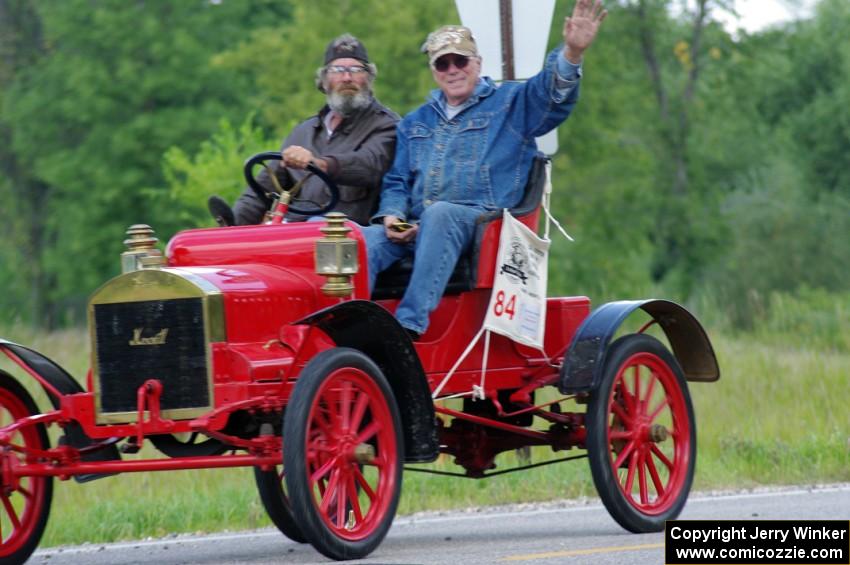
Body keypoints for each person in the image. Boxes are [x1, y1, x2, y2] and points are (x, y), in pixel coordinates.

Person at [363, 0, 607, 340]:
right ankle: (352, 329)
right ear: (434, 71)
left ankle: (405, 329)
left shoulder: (509, 103)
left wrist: (572, 52)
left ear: (477, 63)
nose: (453, 69)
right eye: (443, 63)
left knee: (442, 215)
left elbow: (550, 96)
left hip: (480, 226)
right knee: (358, 240)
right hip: (417, 227)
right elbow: (397, 181)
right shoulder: (415, 122)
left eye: (460, 60)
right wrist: (392, 217)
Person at [231, 33, 399, 226]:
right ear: (324, 80)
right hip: (296, 232)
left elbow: (369, 165)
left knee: (316, 225)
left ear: (369, 78)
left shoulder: (387, 125)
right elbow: (260, 191)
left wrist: (319, 163)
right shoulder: (304, 132)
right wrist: (230, 227)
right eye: (337, 70)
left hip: (347, 239)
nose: (347, 77)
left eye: (356, 69)